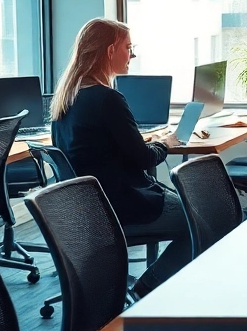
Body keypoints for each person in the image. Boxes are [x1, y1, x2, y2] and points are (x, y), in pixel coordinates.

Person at [49, 18, 189, 298]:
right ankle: (148, 286)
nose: (132, 55)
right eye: (129, 47)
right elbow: (144, 159)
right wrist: (165, 144)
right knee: (205, 219)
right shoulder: (108, 99)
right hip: (123, 205)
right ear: (111, 51)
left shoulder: (65, 98)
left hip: (90, 209)